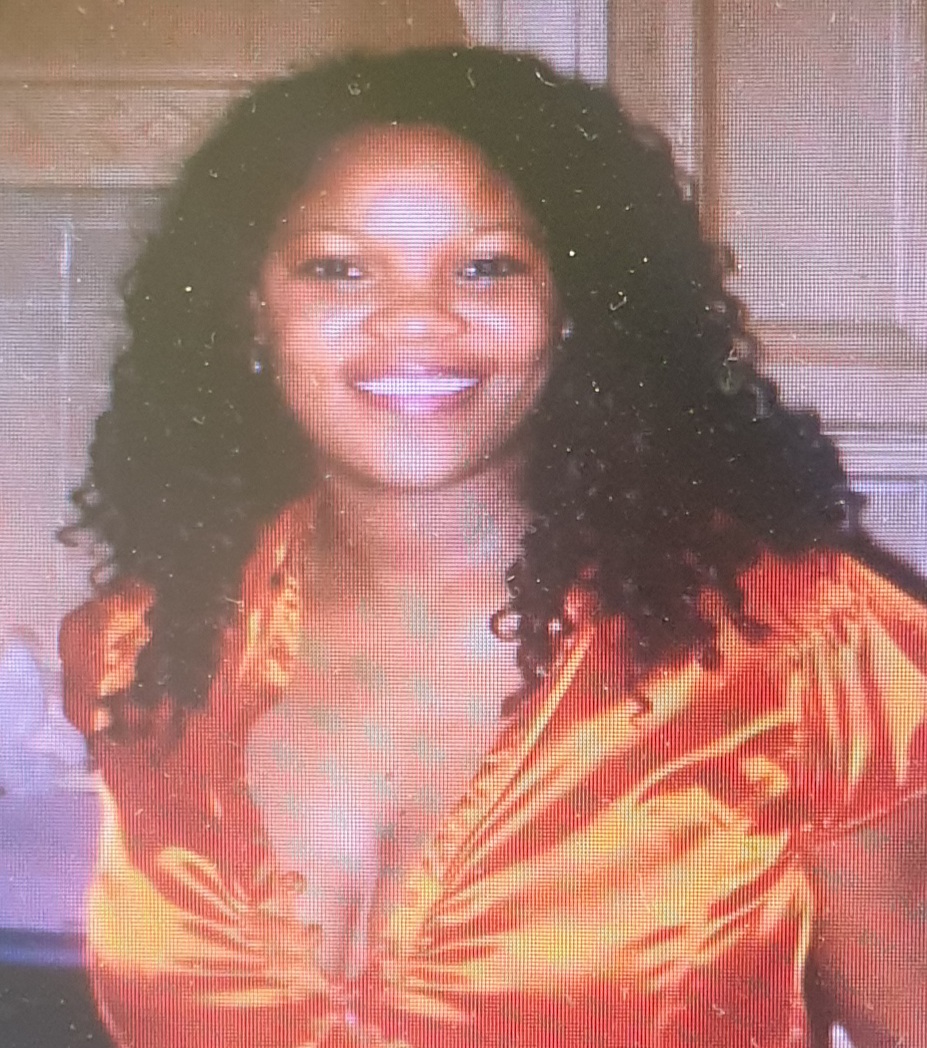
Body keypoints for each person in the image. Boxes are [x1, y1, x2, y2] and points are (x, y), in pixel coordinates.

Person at [57, 46, 927, 1048]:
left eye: (486, 266)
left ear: (569, 308)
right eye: (337, 267)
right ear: (252, 309)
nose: (417, 319)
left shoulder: (805, 651)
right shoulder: (137, 656)